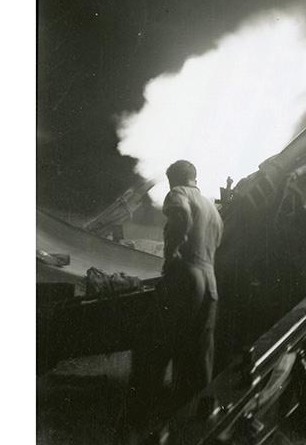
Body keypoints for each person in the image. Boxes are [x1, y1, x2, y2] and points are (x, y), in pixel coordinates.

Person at [124, 160, 224, 436]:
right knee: (199, 353)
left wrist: (172, 255)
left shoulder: (179, 193)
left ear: (175, 179)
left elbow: (179, 214)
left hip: (185, 277)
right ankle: (197, 420)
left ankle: (139, 416)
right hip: (209, 281)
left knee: (150, 345)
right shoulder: (212, 209)